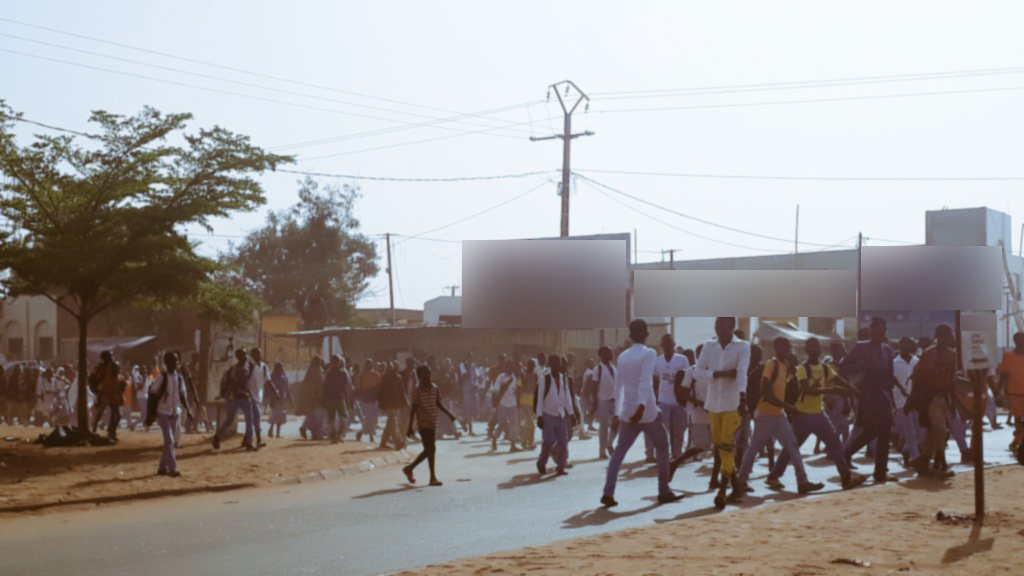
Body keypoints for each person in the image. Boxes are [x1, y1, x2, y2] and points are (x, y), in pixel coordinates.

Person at [600, 320, 683, 507]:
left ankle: (608, 492)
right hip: (647, 412)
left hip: (628, 412)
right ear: (646, 334)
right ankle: (664, 490)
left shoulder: (622, 356)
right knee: (663, 448)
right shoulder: (649, 353)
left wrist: (617, 413)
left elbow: (618, 386)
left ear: (630, 335)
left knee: (619, 453)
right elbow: (645, 381)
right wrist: (641, 407)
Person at [767, 338, 867, 490]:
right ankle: (774, 476)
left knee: (834, 444)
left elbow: (841, 382)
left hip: (819, 414)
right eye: (812, 346)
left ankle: (846, 477)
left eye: (817, 346)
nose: (815, 349)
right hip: (803, 416)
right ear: (806, 349)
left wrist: (859, 394)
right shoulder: (803, 368)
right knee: (791, 447)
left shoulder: (824, 368)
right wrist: (830, 390)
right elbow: (807, 390)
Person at [735, 337, 825, 498]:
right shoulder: (772, 364)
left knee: (792, 445)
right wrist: (786, 406)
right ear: (776, 348)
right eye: (783, 347)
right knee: (755, 447)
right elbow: (766, 390)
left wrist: (785, 406)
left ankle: (802, 482)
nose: (787, 349)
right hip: (766, 413)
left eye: (788, 346)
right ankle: (741, 480)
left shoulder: (785, 365)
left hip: (778, 414)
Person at [698, 317, 752, 509]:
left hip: (732, 402)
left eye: (723, 325)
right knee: (719, 446)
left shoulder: (743, 346)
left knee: (727, 446)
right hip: (713, 403)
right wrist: (719, 374)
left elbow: (741, 373)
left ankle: (722, 490)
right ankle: (736, 487)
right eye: (716, 325)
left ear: (732, 326)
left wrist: (743, 399)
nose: (719, 328)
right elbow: (698, 372)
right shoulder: (709, 345)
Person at [841, 317, 900, 484]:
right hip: (868, 395)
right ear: (870, 331)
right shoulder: (861, 347)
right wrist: (863, 368)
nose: (877, 332)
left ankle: (880, 471)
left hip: (884, 397)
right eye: (874, 329)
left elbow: (889, 375)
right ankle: (845, 454)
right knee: (872, 430)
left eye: (880, 329)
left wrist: (891, 396)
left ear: (884, 331)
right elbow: (844, 366)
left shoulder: (887, 350)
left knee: (884, 433)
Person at [907, 324, 958, 478]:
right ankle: (924, 459)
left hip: (944, 397)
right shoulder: (929, 354)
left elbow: (952, 380)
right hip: (930, 397)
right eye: (942, 336)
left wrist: (953, 401)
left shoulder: (952, 355)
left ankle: (924, 463)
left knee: (937, 432)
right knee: (940, 430)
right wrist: (913, 401)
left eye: (947, 336)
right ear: (937, 337)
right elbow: (918, 378)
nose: (945, 339)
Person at [402, 364, 457, 487]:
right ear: (421, 376)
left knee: (430, 449)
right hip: (423, 421)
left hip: (433, 421)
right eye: (427, 374)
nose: (430, 376)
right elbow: (414, 409)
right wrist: (410, 426)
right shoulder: (417, 391)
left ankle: (413, 470)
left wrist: (449, 414)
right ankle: (427, 475)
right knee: (431, 448)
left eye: (430, 374)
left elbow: (438, 403)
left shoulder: (434, 387)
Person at [149, 351, 193, 477]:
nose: (176, 363)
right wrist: (152, 412)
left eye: (176, 360)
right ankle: (172, 468)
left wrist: (188, 410)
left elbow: (182, 395)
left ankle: (162, 468)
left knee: (169, 442)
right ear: (167, 363)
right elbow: (152, 393)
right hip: (163, 413)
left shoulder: (179, 378)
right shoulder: (161, 378)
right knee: (169, 440)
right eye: (173, 361)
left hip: (175, 413)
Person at [535, 353, 573, 477]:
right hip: (548, 414)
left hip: (561, 414)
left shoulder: (563, 378)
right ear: (550, 364)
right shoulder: (544, 379)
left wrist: (571, 414)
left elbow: (567, 396)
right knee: (548, 440)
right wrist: (539, 416)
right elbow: (540, 398)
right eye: (554, 363)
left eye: (559, 363)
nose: (557, 365)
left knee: (563, 442)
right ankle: (542, 462)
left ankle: (560, 467)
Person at [212, 348, 256, 451]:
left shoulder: (249, 366)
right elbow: (233, 385)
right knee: (229, 420)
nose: (246, 356)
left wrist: (248, 393)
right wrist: (244, 393)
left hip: (245, 397)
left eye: (246, 354)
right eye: (243, 355)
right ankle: (217, 436)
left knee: (250, 420)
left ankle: (248, 442)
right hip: (234, 397)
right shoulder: (234, 369)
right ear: (239, 357)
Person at [654, 334, 690, 461]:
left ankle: (677, 453)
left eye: (670, 343)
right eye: (665, 344)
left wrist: (685, 398)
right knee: (663, 429)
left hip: (678, 401)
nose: (668, 346)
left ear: (674, 345)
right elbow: (654, 378)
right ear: (662, 345)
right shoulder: (657, 361)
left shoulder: (682, 359)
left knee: (678, 429)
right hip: (663, 400)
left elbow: (687, 379)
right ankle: (663, 453)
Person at [892, 337, 921, 466]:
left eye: (908, 344)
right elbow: (891, 380)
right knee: (910, 432)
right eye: (903, 343)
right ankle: (915, 458)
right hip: (901, 401)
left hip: (917, 400)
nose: (905, 346)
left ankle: (906, 450)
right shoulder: (894, 363)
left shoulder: (917, 361)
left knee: (921, 431)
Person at [996, 331, 1024, 454]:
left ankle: (1018, 440)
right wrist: (997, 392)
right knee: (1019, 418)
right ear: (1015, 341)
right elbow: (1003, 375)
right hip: (1015, 393)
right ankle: (1018, 440)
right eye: (1019, 339)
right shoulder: (1008, 356)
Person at [90, 351, 124, 441]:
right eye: (110, 356)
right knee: (102, 410)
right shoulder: (99, 368)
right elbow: (92, 379)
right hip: (104, 391)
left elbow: (117, 371)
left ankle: (111, 431)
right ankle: (95, 427)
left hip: (112, 391)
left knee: (115, 413)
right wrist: (96, 390)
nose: (112, 358)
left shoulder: (113, 366)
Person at [593, 346, 618, 459]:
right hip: (602, 400)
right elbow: (594, 387)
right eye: (609, 352)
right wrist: (594, 404)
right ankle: (602, 451)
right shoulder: (597, 369)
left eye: (611, 352)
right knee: (603, 427)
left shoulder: (614, 367)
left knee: (617, 424)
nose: (611, 354)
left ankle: (609, 444)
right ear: (602, 355)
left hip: (615, 400)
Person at [379, 362, 408, 450]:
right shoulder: (385, 378)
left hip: (396, 403)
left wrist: (406, 402)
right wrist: (382, 403)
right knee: (393, 421)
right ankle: (398, 442)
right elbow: (381, 391)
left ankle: (383, 442)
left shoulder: (399, 378)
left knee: (390, 423)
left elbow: (402, 391)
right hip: (389, 403)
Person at [492, 360, 520, 452]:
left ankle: (513, 445)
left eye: (512, 366)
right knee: (502, 424)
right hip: (502, 403)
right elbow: (496, 390)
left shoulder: (514, 377)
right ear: (506, 367)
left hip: (512, 403)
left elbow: (514, 390)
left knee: (514, 423)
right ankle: (494, 439)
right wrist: (495, 404)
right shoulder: (501, 377)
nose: (511, 368)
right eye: (509, 366)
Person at [248, 348, 273, 448]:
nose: (258, 355)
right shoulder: (250, 366)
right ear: (252, 355)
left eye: (259, 353)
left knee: (254, 418)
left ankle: (248, 440)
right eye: (256, 353)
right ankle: (258, 440)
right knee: (256, 417)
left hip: (259, 394)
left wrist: (274, 391)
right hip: (250, 394)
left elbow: (268, 381)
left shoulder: (263, 366)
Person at [322, 355, 350, 443]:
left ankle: (333, 437)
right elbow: (345, 387)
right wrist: (346, 398)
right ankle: (339, 435)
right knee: (343, 417)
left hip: (331, 398)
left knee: (331, 418)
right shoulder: (342, 373)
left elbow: (324, 387)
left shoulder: (328, 373)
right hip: (339, 398)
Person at [297, 356, 325, 440]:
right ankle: (314, 433)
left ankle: (305, 428)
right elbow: (315, 383)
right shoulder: (315, 370)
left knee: (313, 414)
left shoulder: (314, 369)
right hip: (315, 395)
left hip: (314, 395)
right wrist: (317, 394)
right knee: (316, 415)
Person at [355, 359, 380, 443]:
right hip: (365, 400)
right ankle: (371, 437)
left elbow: (379, 387)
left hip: (374, 399)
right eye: (368, 365)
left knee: (373, 419)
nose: (370, 367)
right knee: (370, 418)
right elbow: (358, 388)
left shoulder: (376, 375)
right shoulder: (361, 376)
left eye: (371, 365)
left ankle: (360, 433)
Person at [267, 362, 291, 438]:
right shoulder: (272, 376)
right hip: (275, 399)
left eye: (282, 367)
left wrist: (290, 399)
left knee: (280, 417)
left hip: (282, 400)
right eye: (280, 367)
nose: (282, 368)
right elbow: (269, 388)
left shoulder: (284, 376)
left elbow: (287, 388)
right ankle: (271, 429)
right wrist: (270, 399)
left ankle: (277, 433)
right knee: (274, 415)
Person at [519, 358, 538, 450]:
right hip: (524, 401)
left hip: (532, 402)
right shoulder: (523, 374)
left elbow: (537, 389)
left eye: (534, 365)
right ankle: (530, 442)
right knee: (531, 423)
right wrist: (517, 401)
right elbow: (519, 388)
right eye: (531, 365)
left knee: (528, 423)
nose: (533, 367)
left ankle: (524, 442)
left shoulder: (535, 375)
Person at [458, 352, 479, 436]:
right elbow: (465, 376)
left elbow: (477, 376)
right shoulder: (463, 365)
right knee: (468, 408)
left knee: (475, 408)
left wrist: (476, 385)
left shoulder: (474, 365)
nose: (470, 358)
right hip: (466, 389)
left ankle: (464, 421)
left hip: (473, 389)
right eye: (469, 356)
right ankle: (470, 429)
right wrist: (468, 366)